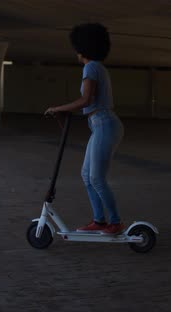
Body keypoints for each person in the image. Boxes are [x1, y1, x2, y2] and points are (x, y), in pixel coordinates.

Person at [44, 23, 125, 234]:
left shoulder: (91, 67)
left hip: (105, 124)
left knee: (96, 178)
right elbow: (89, 103)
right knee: (86, 174)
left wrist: (57, 108)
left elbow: (86, 99)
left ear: (83, 48)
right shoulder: (98, 67)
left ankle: (115, 222)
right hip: (100, 124)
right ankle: (99, 220)